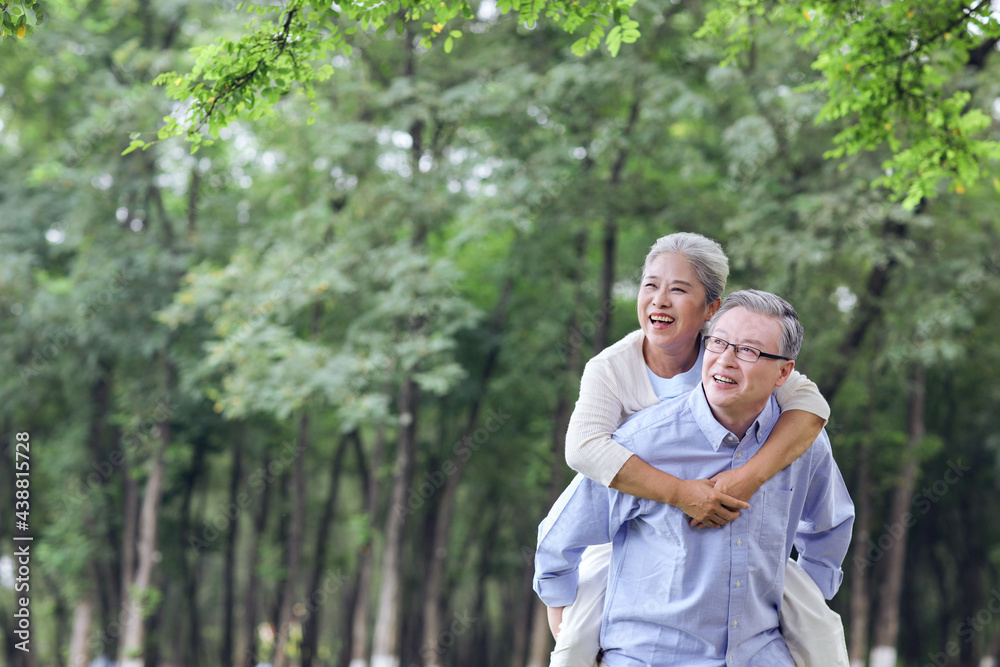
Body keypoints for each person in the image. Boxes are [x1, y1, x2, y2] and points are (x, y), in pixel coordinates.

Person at [549, 233, 847, 666]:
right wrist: (682, 493)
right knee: (573, 644)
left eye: (679, 289)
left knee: (822, 641)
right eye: (650, 285)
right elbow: (583, 450)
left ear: (711, 309)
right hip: (631, 540)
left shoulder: (734, 344)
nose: (660, 300)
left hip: (750, 556)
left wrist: (748, 478)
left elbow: (812, 408)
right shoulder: (612, 368)